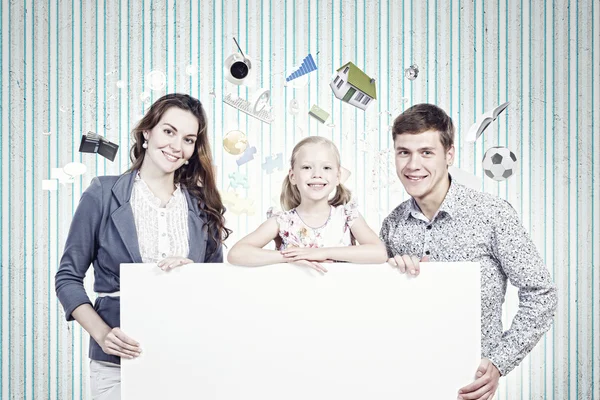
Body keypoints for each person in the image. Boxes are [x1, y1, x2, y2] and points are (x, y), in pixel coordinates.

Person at [55, 93, 230, 400]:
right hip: (118, 362)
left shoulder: (203, 206)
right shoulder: (103, 193)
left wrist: (194, 276)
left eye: (188, 139)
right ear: (147, 132)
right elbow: (67, 279)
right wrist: (102, 334)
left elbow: (218, 290)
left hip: (187, 355)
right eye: (169, 131)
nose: (177, 146)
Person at [379, 103, 557, 400]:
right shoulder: (392, 225)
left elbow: (541, 293)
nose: (412, 165)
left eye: (426, 152)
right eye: (403, 152)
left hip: (467, 389)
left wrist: (499, 363)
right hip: (403, 382)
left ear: (449, 154)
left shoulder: (491, 214)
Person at [227, 136, 387, 270]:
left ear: (337, 176)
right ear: (293, 176)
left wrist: (323, 252)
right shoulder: (283, 221)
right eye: (306, 167)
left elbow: (379, 253)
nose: (317, 174)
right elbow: (237, 253)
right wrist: (290, 257)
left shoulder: (347, 217)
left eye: (326, 167)